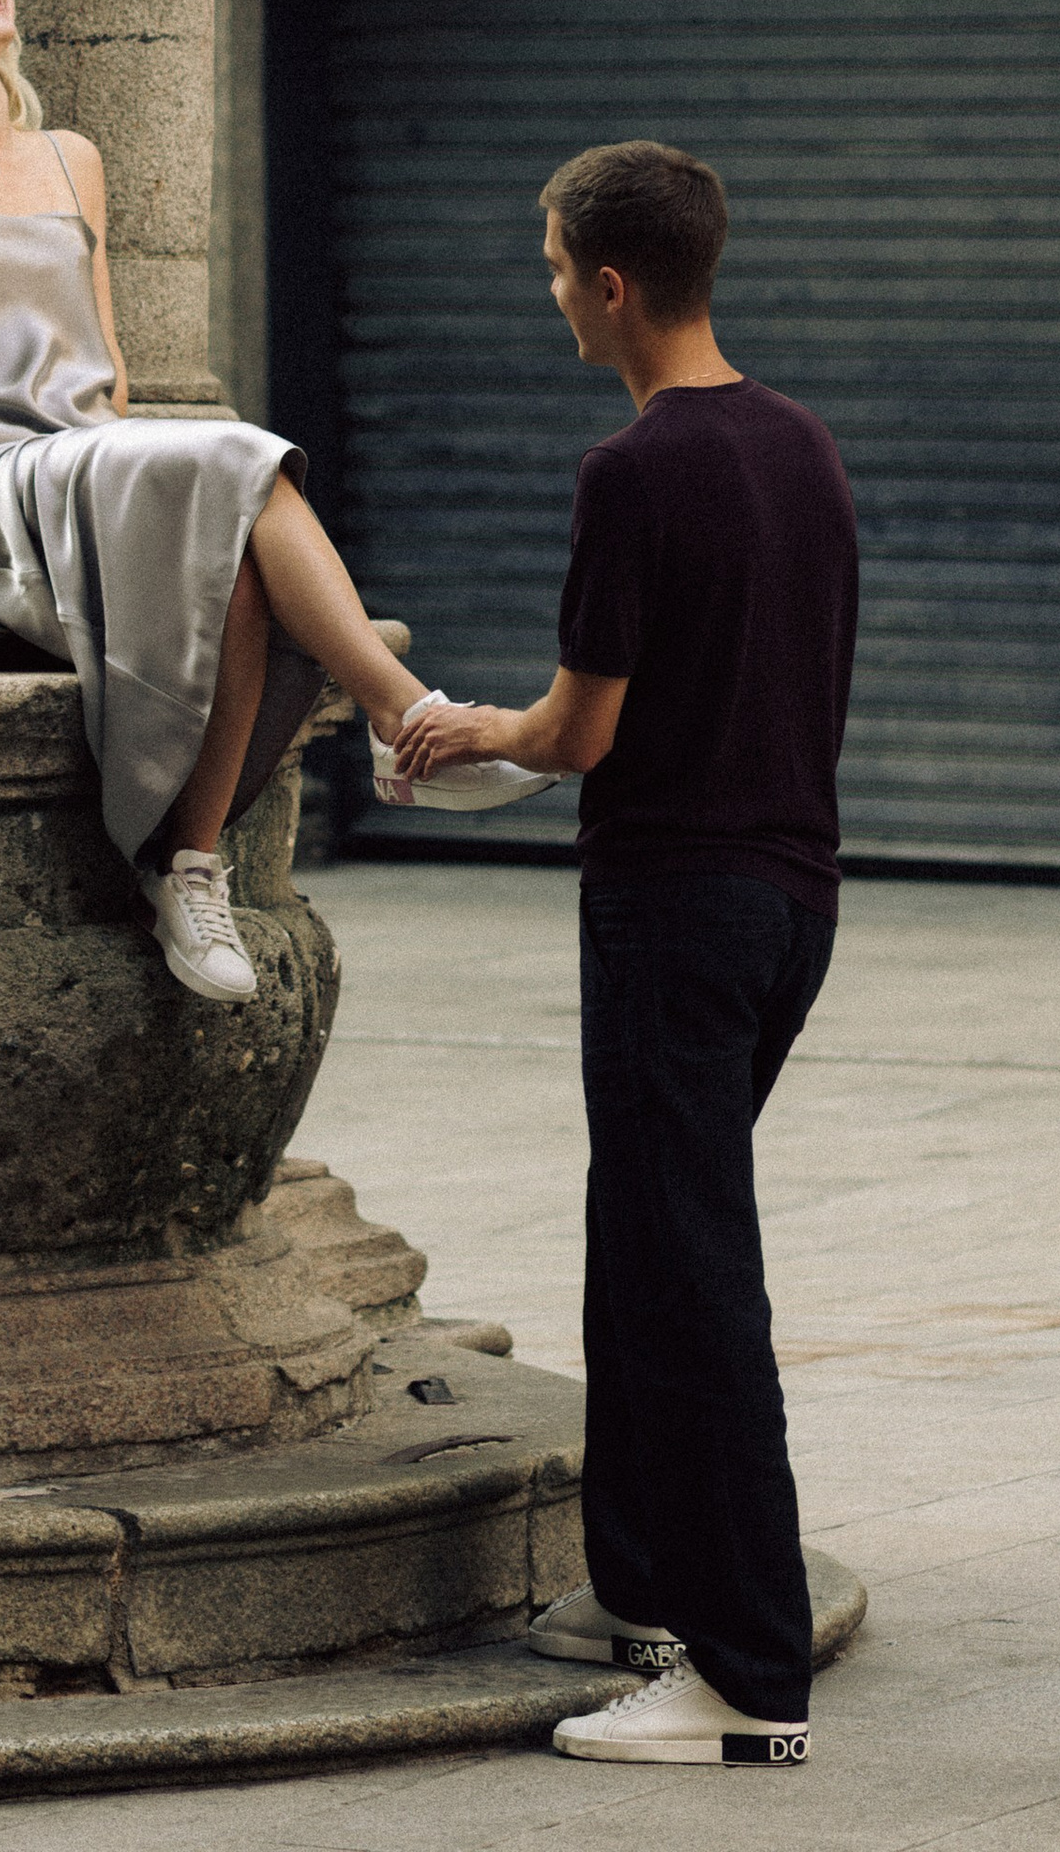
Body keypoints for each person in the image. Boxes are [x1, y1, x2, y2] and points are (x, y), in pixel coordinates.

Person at [0, 0, 541, 1009]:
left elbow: (101, 361)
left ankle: (187, 865)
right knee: (237, 459)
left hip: (80, 459)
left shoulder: (74, 159)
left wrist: (137, 488)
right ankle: (403, 717)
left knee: (227, 530)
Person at [394, 138, 857, 1771]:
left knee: (693, 1277)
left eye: (549, 265)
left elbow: (579, 731)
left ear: (609, 283)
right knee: (650, 1252)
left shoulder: (633, 472)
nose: (547, 294)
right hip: (791, 902)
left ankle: (746, 1681)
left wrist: (455, 733)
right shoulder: (802, 447)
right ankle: (650, 1593)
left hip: (674, 910)